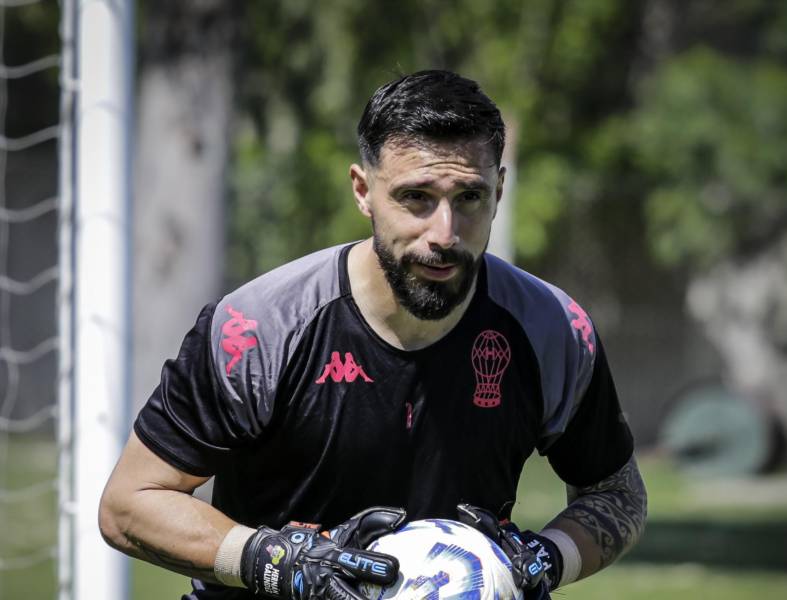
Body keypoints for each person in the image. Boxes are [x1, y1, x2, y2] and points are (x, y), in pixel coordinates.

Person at [99, 69, 647, 600]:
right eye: (415, 198)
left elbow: (616, 495)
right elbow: (130, 504)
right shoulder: (259, 326)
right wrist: (281, 563)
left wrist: (541, 560)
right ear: (363, 191)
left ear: (500, 190)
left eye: (470, 198)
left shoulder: (553, 328)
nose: (444, 233)